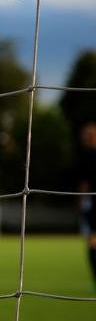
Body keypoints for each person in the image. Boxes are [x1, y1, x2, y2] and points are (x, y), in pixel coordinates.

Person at [78, 122, 96, 289]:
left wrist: (82, 201)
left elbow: (84, 183)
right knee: (92, 241)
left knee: (92, 242)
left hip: (93, 203)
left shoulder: (88, 156)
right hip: (91, 203)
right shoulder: (86, 156)